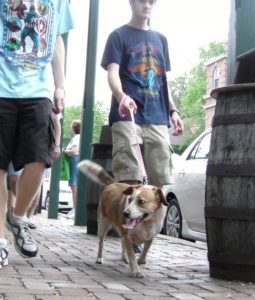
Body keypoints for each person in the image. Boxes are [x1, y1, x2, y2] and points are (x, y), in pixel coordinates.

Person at [0, 0, 75, 270]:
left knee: (39, 160)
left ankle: (17, 218)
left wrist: (61, 85)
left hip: (38, 91)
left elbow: (57, 40)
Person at [100, 0, 184, 251]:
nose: (146, 5)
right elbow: (112, 73)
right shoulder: (118, 36)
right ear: (131, 3)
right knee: (130, 175)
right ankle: (129, 233)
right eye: (141, 0)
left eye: (151, 1)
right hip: (127, 114)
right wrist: (121, 96)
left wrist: (173, 111)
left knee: (159, 178)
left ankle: (147, 231)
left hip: (157, 116)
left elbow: (162, 79)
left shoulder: (161, 39)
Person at [63, 119, 80, 219]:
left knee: (74, 186)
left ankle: (75, 209)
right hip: (75, 160)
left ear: (74, 128)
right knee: (74, 186)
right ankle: (74, 208)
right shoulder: (79, 137)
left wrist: (64, 151)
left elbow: (74, 151)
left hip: (74, 160)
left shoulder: (77, 137)